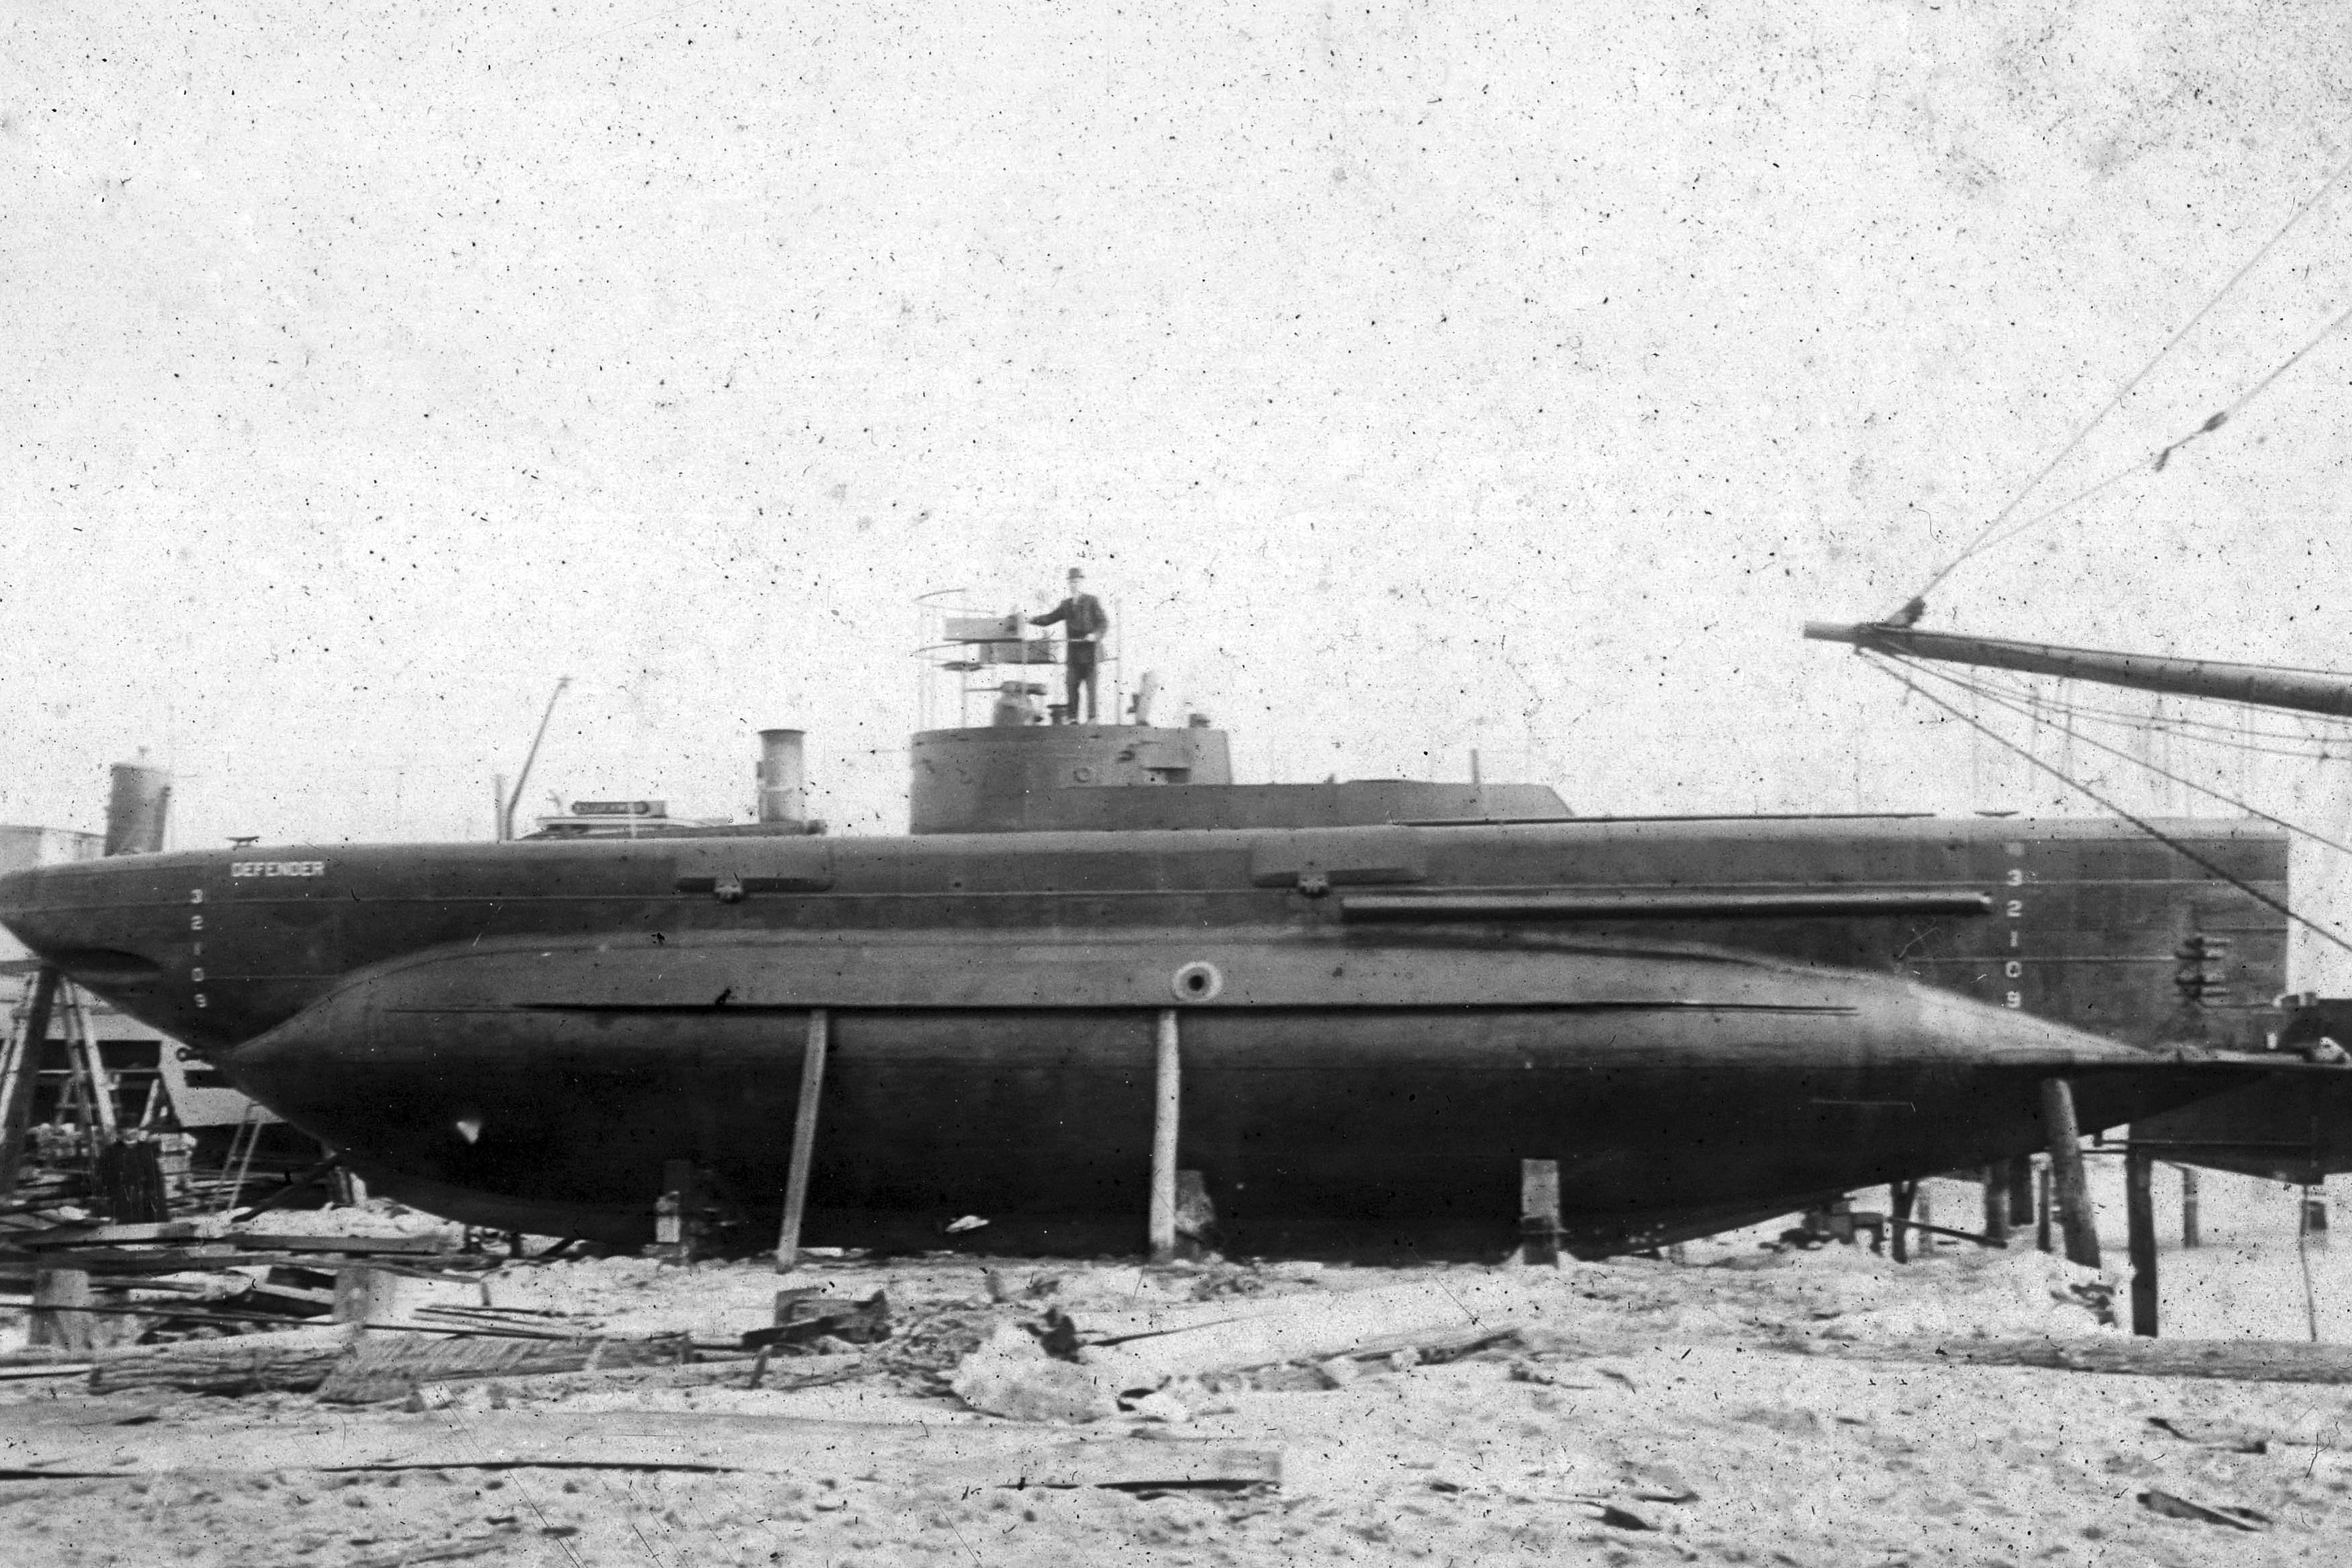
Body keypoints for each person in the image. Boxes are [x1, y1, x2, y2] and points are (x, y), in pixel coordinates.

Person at [1030, 568, 1109, 723]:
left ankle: (1092, 719)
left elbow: (1104, 623)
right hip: (1074, 654)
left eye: (1077, 582)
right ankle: (1073, 719)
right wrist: (1030, 619)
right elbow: (1049, 618)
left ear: (1082, 583)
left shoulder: (1092, 601)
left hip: (1091, 652)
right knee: (1071, 686)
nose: (1074, 585)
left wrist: (1095, 636)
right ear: (1069, 584)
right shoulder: (1066, 605)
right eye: (1072, 582)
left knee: (1091, 688)